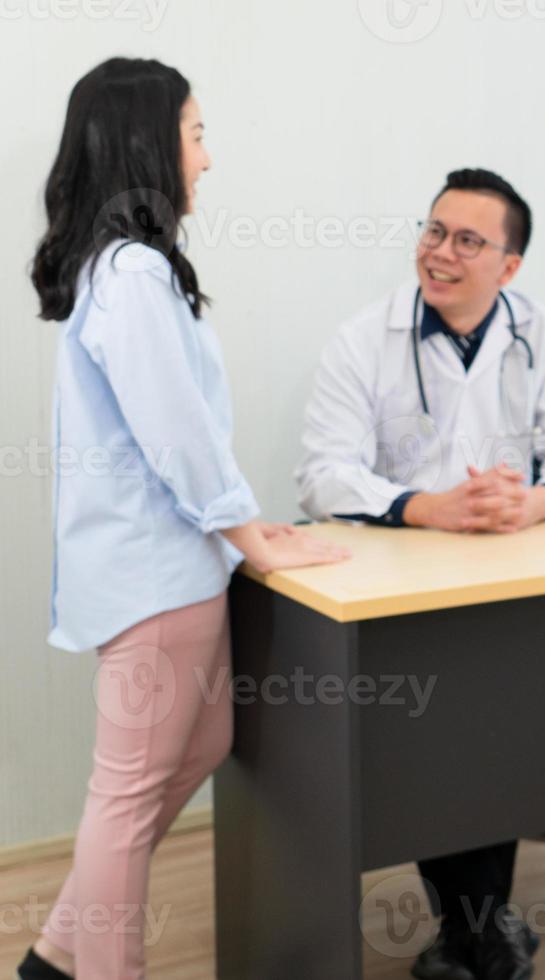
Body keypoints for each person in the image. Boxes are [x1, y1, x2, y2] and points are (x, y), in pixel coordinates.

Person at [18, 57, 350, 980]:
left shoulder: (128, 267)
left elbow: (190, 435)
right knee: (123, 799)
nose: (208, 157)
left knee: (201, 744)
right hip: (153, 578)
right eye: (197, 134)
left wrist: (247, 530)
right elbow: (179, 440)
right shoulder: (129, 273)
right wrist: (253, 542)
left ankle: (53, 960)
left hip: (174, 563)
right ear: (149, 144)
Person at [295, 168, 545, 980]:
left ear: (508, 267)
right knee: (451, 725)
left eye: (468, 240)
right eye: (434, 231)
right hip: (395, 589)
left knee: (484, 720)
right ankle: (485, 932)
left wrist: (537, 501)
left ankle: (470, 937)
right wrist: (420, 506)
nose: (440, 253)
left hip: (512, 580)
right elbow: (322, 475)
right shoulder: (364, 338)